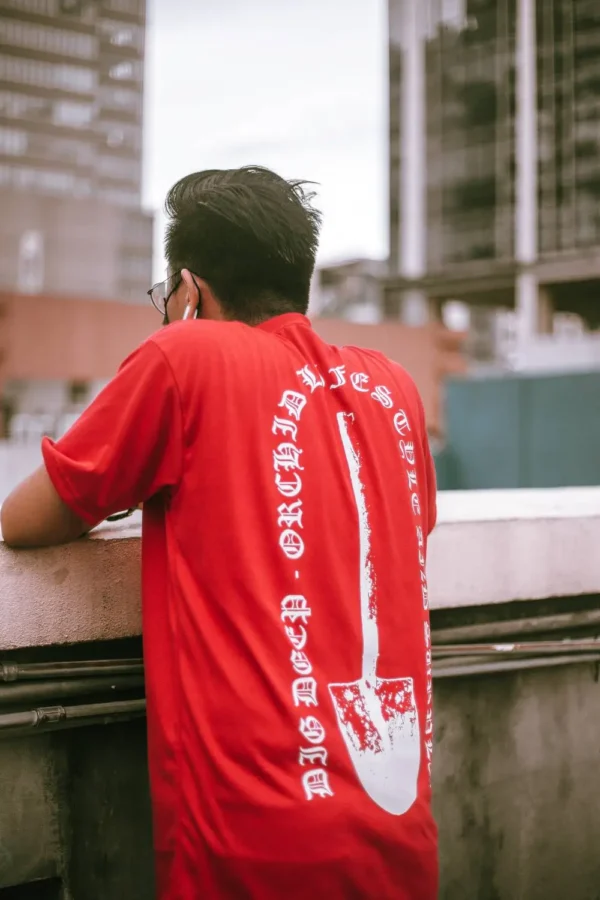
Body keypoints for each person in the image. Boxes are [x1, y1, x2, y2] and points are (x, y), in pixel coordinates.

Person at [1, 166, 438, 900]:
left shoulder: (186, 357)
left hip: (253, 848)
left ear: (189, 289)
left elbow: (28, 518)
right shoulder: (390, 387)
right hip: (397, 841)